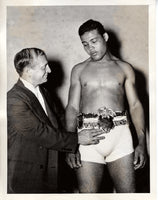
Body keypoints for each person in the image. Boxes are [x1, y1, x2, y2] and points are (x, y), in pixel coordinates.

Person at [65, 19, 147, 193]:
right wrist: (70, 144)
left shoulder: (124, 68)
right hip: (88, 138)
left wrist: (141, 142)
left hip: (120, 136)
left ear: (105, 37)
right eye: (85, 44)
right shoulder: (79, 70)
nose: (90, 48)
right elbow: (72, 107)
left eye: (94, 41)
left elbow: (135, 105)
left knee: (128, 195)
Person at [7, 47, 105, 193]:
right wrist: (77, 139)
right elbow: (41, 133)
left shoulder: (43, 91)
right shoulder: (14, 99)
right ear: (28, 71)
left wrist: (87, 124)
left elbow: (59, 120)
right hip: (27, 176)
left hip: (49, 171)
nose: (50, 70)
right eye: (44, 67)